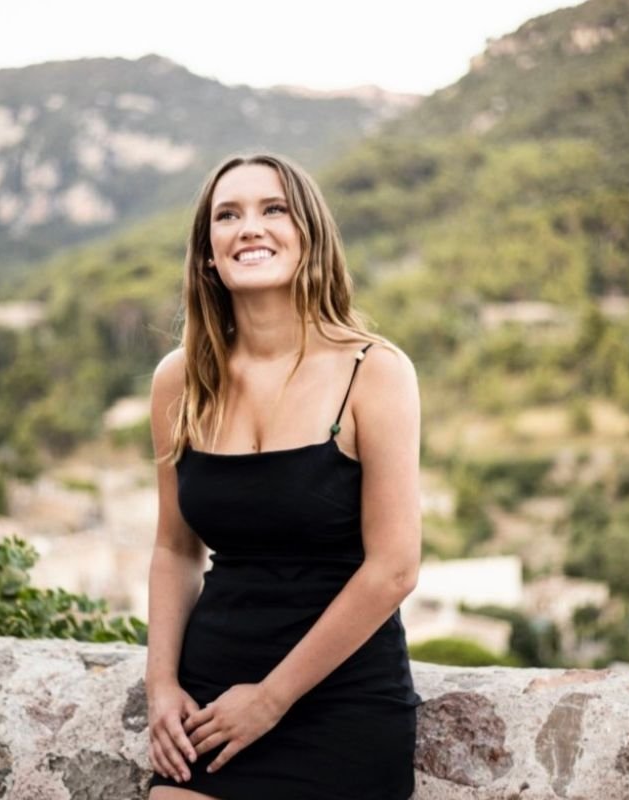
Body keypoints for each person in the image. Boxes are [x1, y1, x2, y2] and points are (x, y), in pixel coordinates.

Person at [145, 152, 423, 800]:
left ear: (309, 235)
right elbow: (174, 548)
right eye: (228, 215)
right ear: (208, 252)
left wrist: (272, 699)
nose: (251, 227)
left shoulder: (373, 372)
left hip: (343, 700)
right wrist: (160, 684)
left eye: (273, 209)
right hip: (210, 705)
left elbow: (394, 568)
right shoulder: (179, 382)